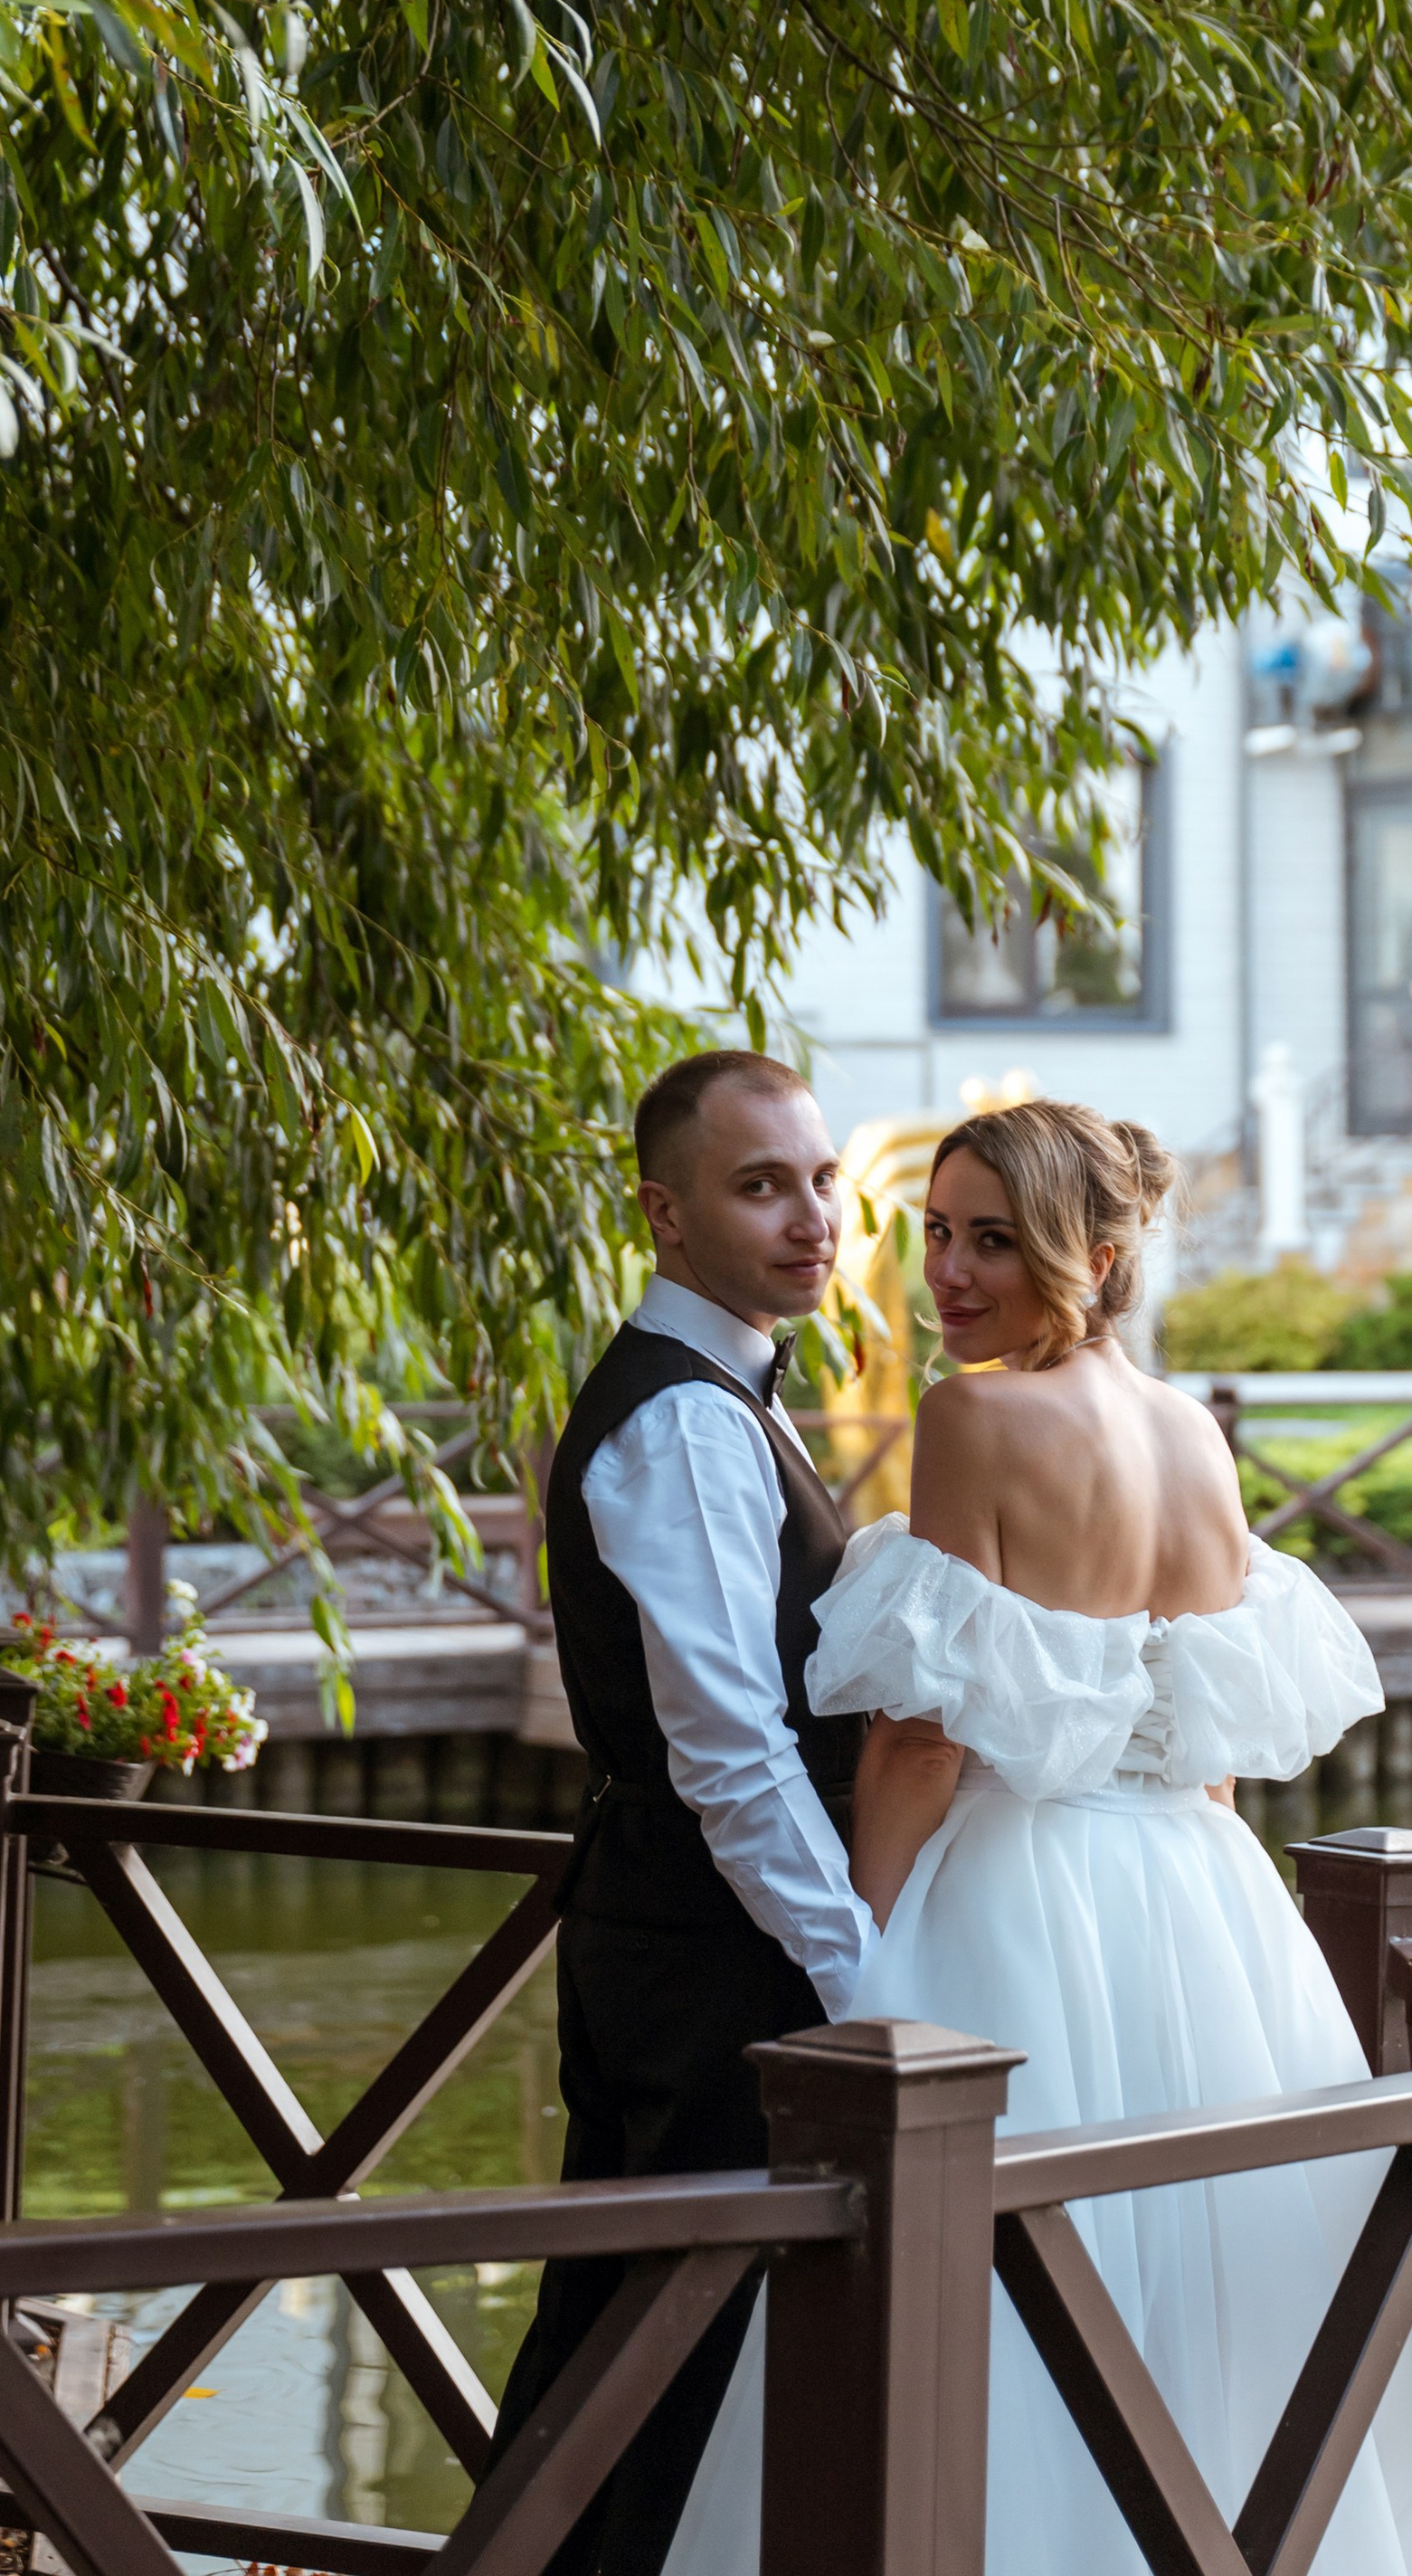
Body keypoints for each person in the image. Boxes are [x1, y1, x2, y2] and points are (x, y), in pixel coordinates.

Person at [664, 1097, 1412, 2576]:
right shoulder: (1196, 1441)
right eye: (938, 1235)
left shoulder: (974, 1418)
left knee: (974, 2293)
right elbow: (1207, 1748)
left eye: (994, 1243)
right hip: (1206, 1907)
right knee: (1212, 2306)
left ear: (1086, 1250)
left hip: (1019, 1894)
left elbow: (919, 1737)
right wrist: (1214, 1936)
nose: (947, 1276)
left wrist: (859, 1959)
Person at [487, 1050, 875, 2574]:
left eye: (823, 1177)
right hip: (709, 1959)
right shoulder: (684, 1423)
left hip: (703, 1936)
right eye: (761, 1184)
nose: (813, 1216)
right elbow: (731, 1752)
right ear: (665, 1213)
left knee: (654, 2348)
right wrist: (865, 1976)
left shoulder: (730, 1395)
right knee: (650, 2358)